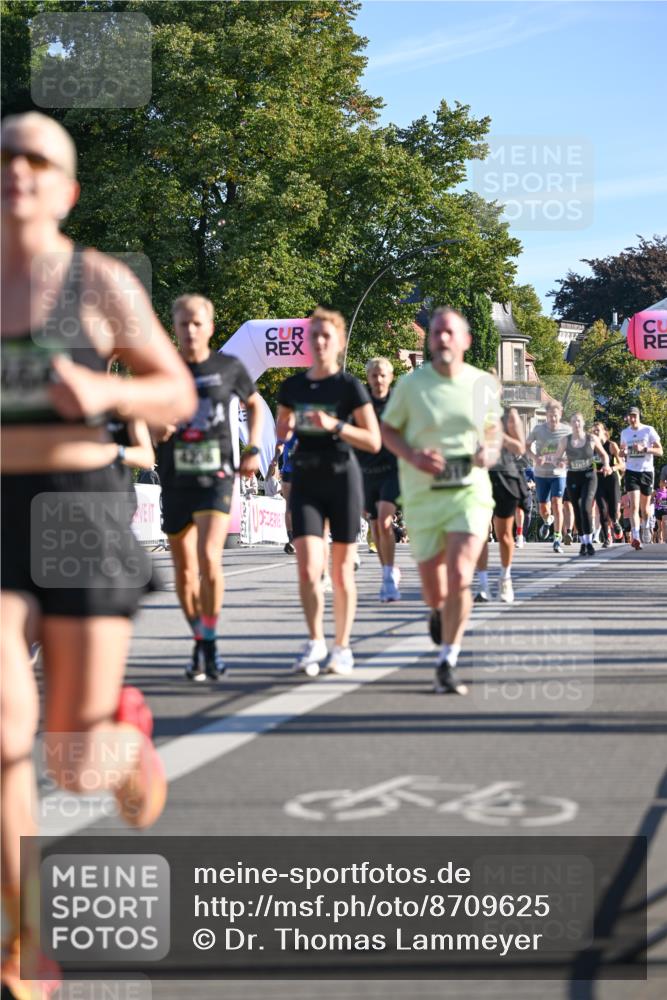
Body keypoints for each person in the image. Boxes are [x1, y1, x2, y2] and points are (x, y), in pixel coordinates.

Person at [1, 112, 197, 999]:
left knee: (71, 759)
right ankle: (24, 941)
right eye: (5, 155)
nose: (18, 169)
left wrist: (101, 386)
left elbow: (174, 391)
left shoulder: (98, 282)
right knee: (5, 734)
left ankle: (127, 741)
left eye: (38, 158)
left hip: (80, 510)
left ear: (67, 188)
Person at [381, 307, 502, 695]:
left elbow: (494, 433)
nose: (443, 339)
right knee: (435, 589)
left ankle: (448, 659)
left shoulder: (482, 384)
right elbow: (387, 431)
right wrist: (414, 456)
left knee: (460, 577)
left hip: (469, 492)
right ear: (429, 340)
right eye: (436, 333)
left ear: (466, 340)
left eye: (450, 332)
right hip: (422, 497)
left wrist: (490, 452)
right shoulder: (410, 386)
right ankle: (437, 611)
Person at [155, 294, 262, 681]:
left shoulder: (228, 367)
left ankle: (211, 644)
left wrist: (251, 447)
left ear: (210, 327)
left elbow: (255, 404)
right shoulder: (163, 370)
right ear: (175, 327)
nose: (190, 330)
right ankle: (199, 640)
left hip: (216, 475)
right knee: (183, 572)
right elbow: (145, 416)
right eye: (183, 323)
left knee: (209, 560)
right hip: (175, 475)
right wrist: (156, 427)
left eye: (197, 323)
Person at [276, 307, 380, 677]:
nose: (319, 341)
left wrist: (335, 425)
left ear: (338, 343)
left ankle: (342, 647)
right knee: (307, 568)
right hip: (305, 480)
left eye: (326, 336)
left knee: (340, 574)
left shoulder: (349, 387)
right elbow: (282, 431)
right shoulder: (293, 387)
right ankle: (315, 640)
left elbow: (372, 440)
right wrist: (285, 429)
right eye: (313, 335)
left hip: (342, 479)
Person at [358, 357, 402, 602]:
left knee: (385, 521)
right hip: (367, 471)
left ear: (391, 376)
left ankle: (387, 577)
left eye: (382, 375)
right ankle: (388, 569)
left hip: (392, 469)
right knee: (375, 527)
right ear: (368, 378)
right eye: (374, 375)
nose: (378, 380)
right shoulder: (361, 403)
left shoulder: (398, 401)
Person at [475, 406, 525, 604]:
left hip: (505, 475)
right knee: (480, 532)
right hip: (479, 475)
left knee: (503, 534)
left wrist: (500, 436)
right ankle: (483, 584)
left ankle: (505, 578)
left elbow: (520, 448)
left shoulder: (509, 415)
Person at [553, 413, 611, 555]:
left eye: (578, 421)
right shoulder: (565, 441)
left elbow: (603, 454)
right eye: (573, 422)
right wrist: (560, 462)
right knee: (577, 511)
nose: (576, 424)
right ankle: (583, 542)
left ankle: (589, 542)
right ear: (571, 425)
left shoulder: (591, 438)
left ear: (583, 423)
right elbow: (556, 458)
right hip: (573, 476)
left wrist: (607, 465)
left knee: (585, 507)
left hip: (589, 476)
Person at [525, 401, 570, 553]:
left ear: (560, 415)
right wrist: (534, 457)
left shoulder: (567, 430)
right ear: (546, 416)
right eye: (550, 416)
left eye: (555, 416)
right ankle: (547, 520)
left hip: (558, 474)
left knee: (557, 504)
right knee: (544, 508)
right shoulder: (538, 429)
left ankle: (557, 539)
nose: (553, 419)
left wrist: (565, 461)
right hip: (541, 474)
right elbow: (526, 446)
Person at [619, 406, 663, 549]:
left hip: (646, 471)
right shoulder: (624, 433)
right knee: (634, 506)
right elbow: (622, 450)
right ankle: (636, 536)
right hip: (631, 471)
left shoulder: (648, 430)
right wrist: (622, 453)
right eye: (630, 416)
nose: (632, 419)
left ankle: (645, 528)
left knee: (644, 509)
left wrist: (644, 449)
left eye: (634, 416)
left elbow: (660, 451)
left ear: (639, 416)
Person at [591, 421, 624, 546]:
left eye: (597, 430)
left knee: (613, 511)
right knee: (602, 509)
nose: (595, 433)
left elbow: (622, 465)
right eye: (593, 431)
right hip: (598, 480)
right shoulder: (592, 447)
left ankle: (615, 522)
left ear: (605, 432)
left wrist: (612, 468)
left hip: (612, 479)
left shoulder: (611, 445)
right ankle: (606, 538)